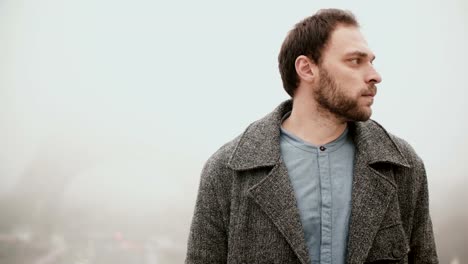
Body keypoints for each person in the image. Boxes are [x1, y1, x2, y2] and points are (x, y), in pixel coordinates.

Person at [185, 8, 438, 264]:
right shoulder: (226, 171)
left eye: (371, 61)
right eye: (355, 61)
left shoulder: (402, 165)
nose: (375, 75)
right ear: (307, 69)